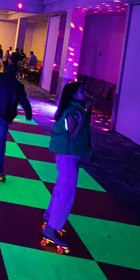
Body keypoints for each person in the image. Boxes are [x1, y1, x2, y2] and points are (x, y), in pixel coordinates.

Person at [41, 81, 91, 253]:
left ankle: (50, 217)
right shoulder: (71, 112)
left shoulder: (74, 109)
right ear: (73, 95)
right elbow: (73, 134)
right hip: (67, 155)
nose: (85, 93)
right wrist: (83, 120)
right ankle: (51, 228)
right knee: (66, 193)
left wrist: (86, 113)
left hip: (68, 155)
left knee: (61, 188)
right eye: (82, 91)